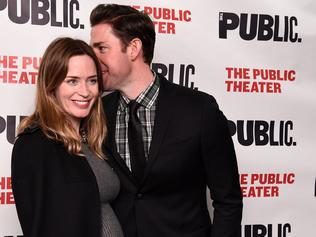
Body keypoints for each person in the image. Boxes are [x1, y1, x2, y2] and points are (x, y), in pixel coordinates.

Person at [90, 4, 243, 237]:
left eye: (101, 48)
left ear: (133, 48)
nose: (93, 58)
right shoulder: (97, 112)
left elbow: (228, 200)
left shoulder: (199, 110)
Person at [11, 37, 124, 237]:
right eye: (72, 81)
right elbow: (40, 227)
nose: (85, 92)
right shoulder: (35, 146)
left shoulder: (92, 140)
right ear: (52, 85)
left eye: (92, 81)